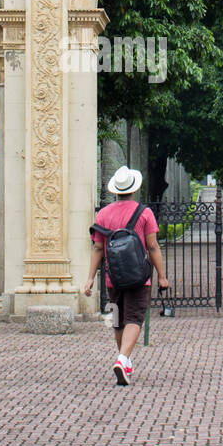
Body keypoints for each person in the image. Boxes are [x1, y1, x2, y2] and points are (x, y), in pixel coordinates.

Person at [82, 165, 169, 386]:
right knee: (135, 317)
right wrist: (162, 276)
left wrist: (91, 277)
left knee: (118, 318)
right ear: (133, 189)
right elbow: (153, 247)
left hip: (114, 277)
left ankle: (125, 359)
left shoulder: (102, 214)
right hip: (139, 276)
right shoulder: (144, 212)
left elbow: (98, 249)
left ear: (115, 190)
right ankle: (122, 359)